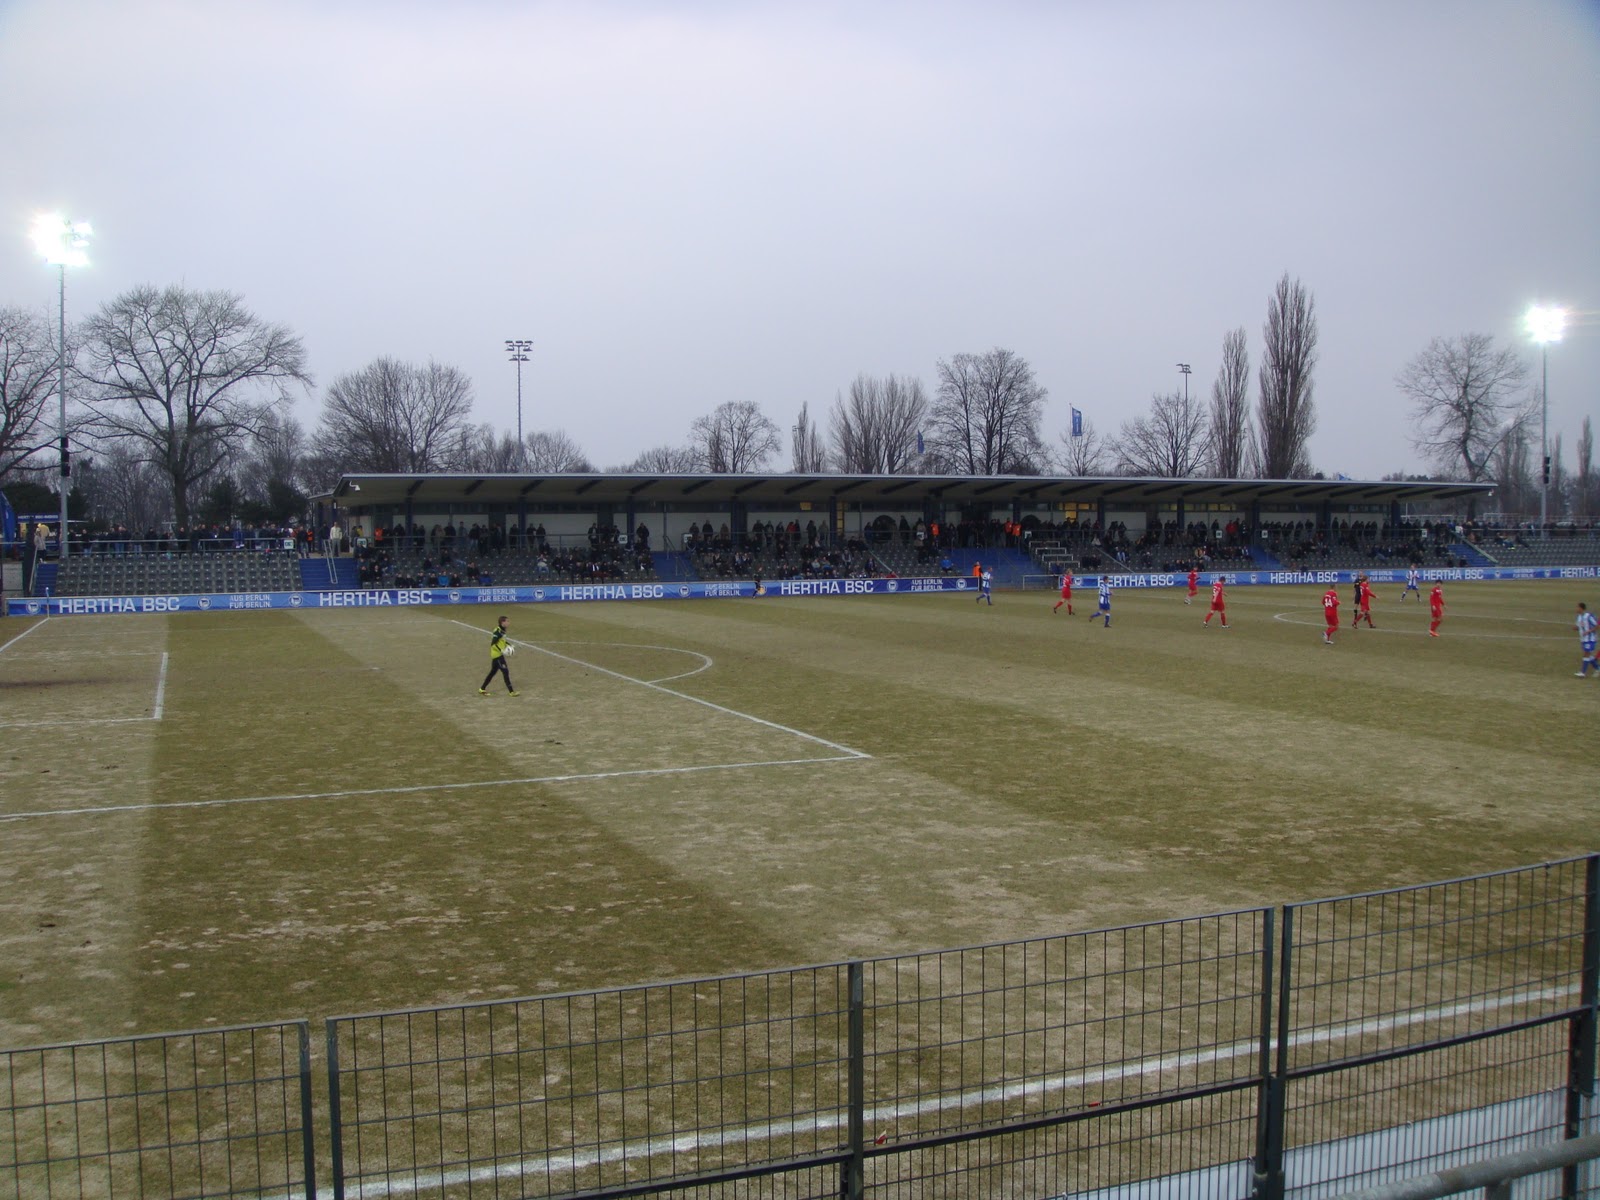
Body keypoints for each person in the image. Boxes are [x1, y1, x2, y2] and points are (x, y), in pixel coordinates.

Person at [479, 614, 520, 695]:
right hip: (497, 655)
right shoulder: (498, 631)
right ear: (502, 622)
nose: (509, 623)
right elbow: (493, 644)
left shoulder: (503, 630)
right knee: (505, 672)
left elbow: (503, 641)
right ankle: (511, 692)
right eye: (507, 621)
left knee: (492, 672)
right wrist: (501, 650)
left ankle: (482, 688)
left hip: (498, 655)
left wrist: (509, 645)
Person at [1576, 602, 1598, 678]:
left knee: (1586, 654)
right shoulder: (1579, 617)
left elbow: (1597, 626)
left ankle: (1583, 673)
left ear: (1581, 608)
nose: (1576, 609)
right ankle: (1598, 668)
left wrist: (1589, 631)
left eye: (1577, 607)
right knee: (1588, 655)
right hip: (1583, 639)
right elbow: (1580, 626)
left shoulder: (1588, 616)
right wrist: (1576, 628)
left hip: (1590, 639)